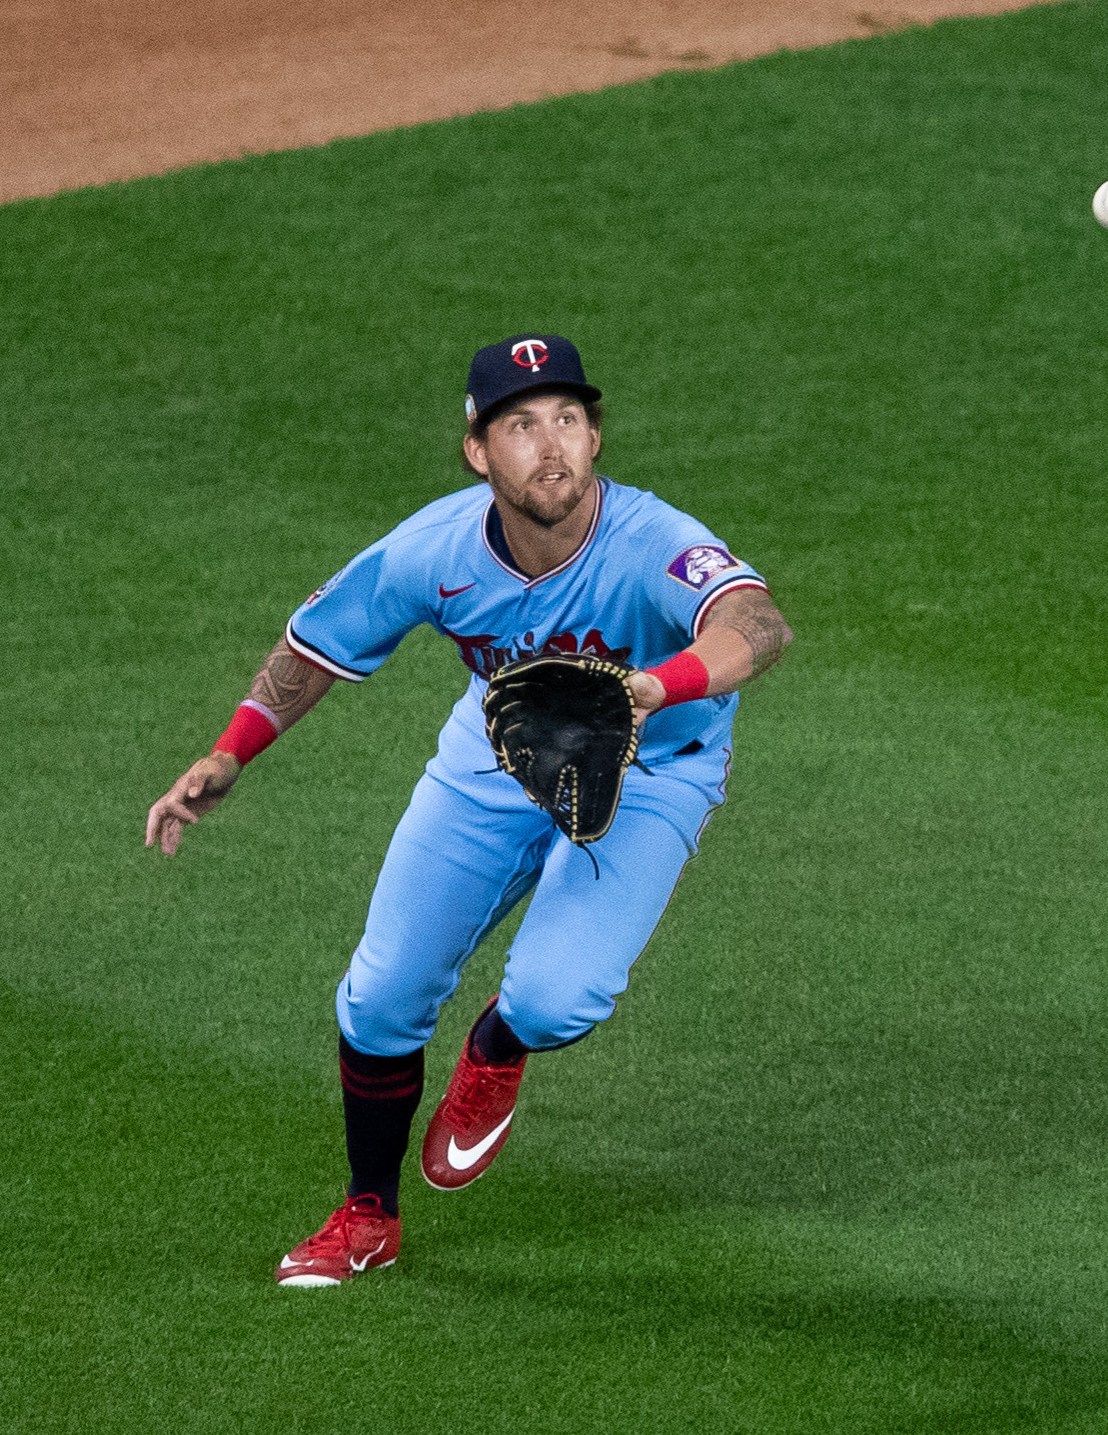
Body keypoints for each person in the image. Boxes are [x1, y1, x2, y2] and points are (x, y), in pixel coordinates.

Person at [144, 334, 793, 1287]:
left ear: (597, 435)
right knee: (382, 992)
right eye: (520, 426)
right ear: (478, 452)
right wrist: (228, 750)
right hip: (500, 756)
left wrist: (656, 686)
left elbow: (760, 624)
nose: (551, 445)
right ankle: (368, 1212)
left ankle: (499, 1042)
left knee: (554, 998)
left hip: (657, 767)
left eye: (568, 419)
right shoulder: (435, 551)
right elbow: (316, 645)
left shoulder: (654, 539)